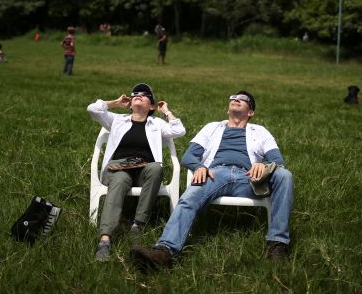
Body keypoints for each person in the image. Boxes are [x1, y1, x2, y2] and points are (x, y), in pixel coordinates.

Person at [130, 90, 294, 269]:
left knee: (284, 176)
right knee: (189, 198)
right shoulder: (212, 127)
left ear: (250, 112)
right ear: (228, 108)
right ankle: (164, 252)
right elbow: (189, 156)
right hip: (215, 174)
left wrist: (264, 165)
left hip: (248, 179)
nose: (236, 100)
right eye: (233, 97)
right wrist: (199, 167)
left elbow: (277, 161)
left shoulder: (260, 131)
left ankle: (277, 245)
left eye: (243, 99)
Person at [88, 83, 186, 262]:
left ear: (151, 106)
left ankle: (137, 225)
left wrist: (166, 111)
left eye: (145, 94)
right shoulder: (117, 120)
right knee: (119, 179)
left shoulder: (156, 124)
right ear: (130, 103)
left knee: (157, 167)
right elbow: (93, 109)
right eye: (135, 94)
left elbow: (179, 130)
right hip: (117, 169)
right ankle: (105, 240)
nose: (138, 95)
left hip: (143, 172)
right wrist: (116, 103)